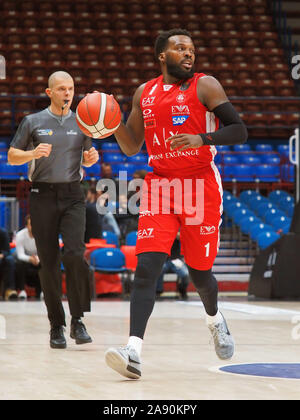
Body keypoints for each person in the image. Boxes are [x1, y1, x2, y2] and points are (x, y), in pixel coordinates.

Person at [105, 29, 248, 379]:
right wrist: (107, 123)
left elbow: (239, 130)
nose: (188, 54)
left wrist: (202, 138)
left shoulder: (205, 85)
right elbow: (130, 145)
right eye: (180, 48)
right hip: (159, 185)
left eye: (191, 49)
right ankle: (133, 350)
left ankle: (214, 319)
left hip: (200, 185)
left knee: (200, 273)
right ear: (161, 56)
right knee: (147, 267)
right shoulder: (145, 92)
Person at [7, 71, 99, 349]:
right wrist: (32, 153)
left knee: (74, 254)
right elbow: (12, 156)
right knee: (48, 263)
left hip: (73, 194)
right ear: (50, 92)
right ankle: (56, 325)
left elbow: (88, 158)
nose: (67, 93)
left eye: (70, 88)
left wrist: (92, 159)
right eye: (61, 89)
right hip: (42, 195)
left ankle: (78, 319)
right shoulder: (33, 122)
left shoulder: (83, 123)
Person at [15, 215, 42, 299]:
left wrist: (37, 259)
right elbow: (20, 255)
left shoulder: (43, 235)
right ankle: (22, 290)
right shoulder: (20, 235)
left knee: (45, 263)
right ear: (26, 226)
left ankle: (42, 291)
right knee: (19, 262)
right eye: (31, 224)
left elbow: (45, 253)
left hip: (38, 259)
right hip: (26, 260)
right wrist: (30, 259)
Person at [156, 235, 189, 300]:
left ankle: (182, 290)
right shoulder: (162, 232)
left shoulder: (176, 230)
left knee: (185, 274)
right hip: (164, 259)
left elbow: (181, 237)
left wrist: (174, 233)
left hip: (175, 259)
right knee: (158, 270)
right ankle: (158, 291)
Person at [0, 227, 17, 301]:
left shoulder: (3, 233)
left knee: (10, 260)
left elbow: (7, 250)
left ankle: (9, 290)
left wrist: (2, 255)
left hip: (1, 257)